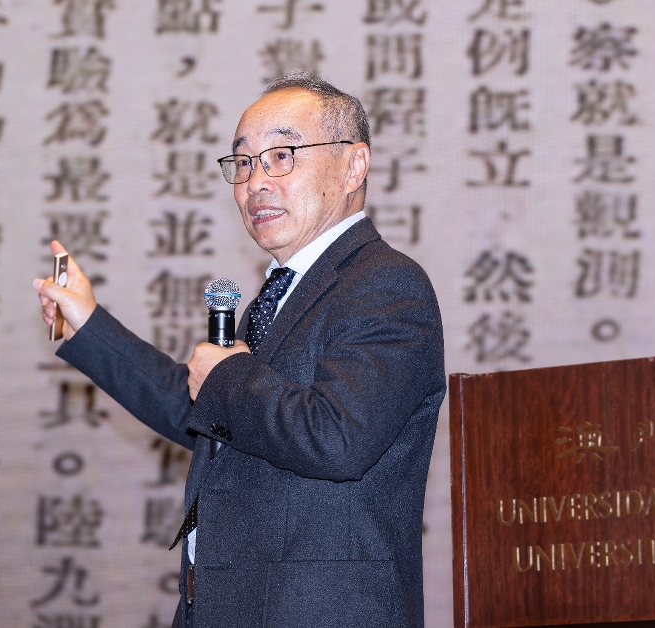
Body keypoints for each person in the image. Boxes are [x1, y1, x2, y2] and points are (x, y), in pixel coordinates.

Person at [33, 72, 446, 628]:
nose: (255, 182)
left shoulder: (385, 284)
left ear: (354, 165)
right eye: (244, 162)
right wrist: (88, 325)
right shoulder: (282, 294)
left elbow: (337, 437)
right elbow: (207, 415)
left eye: (282, 156)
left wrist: (228, 376)